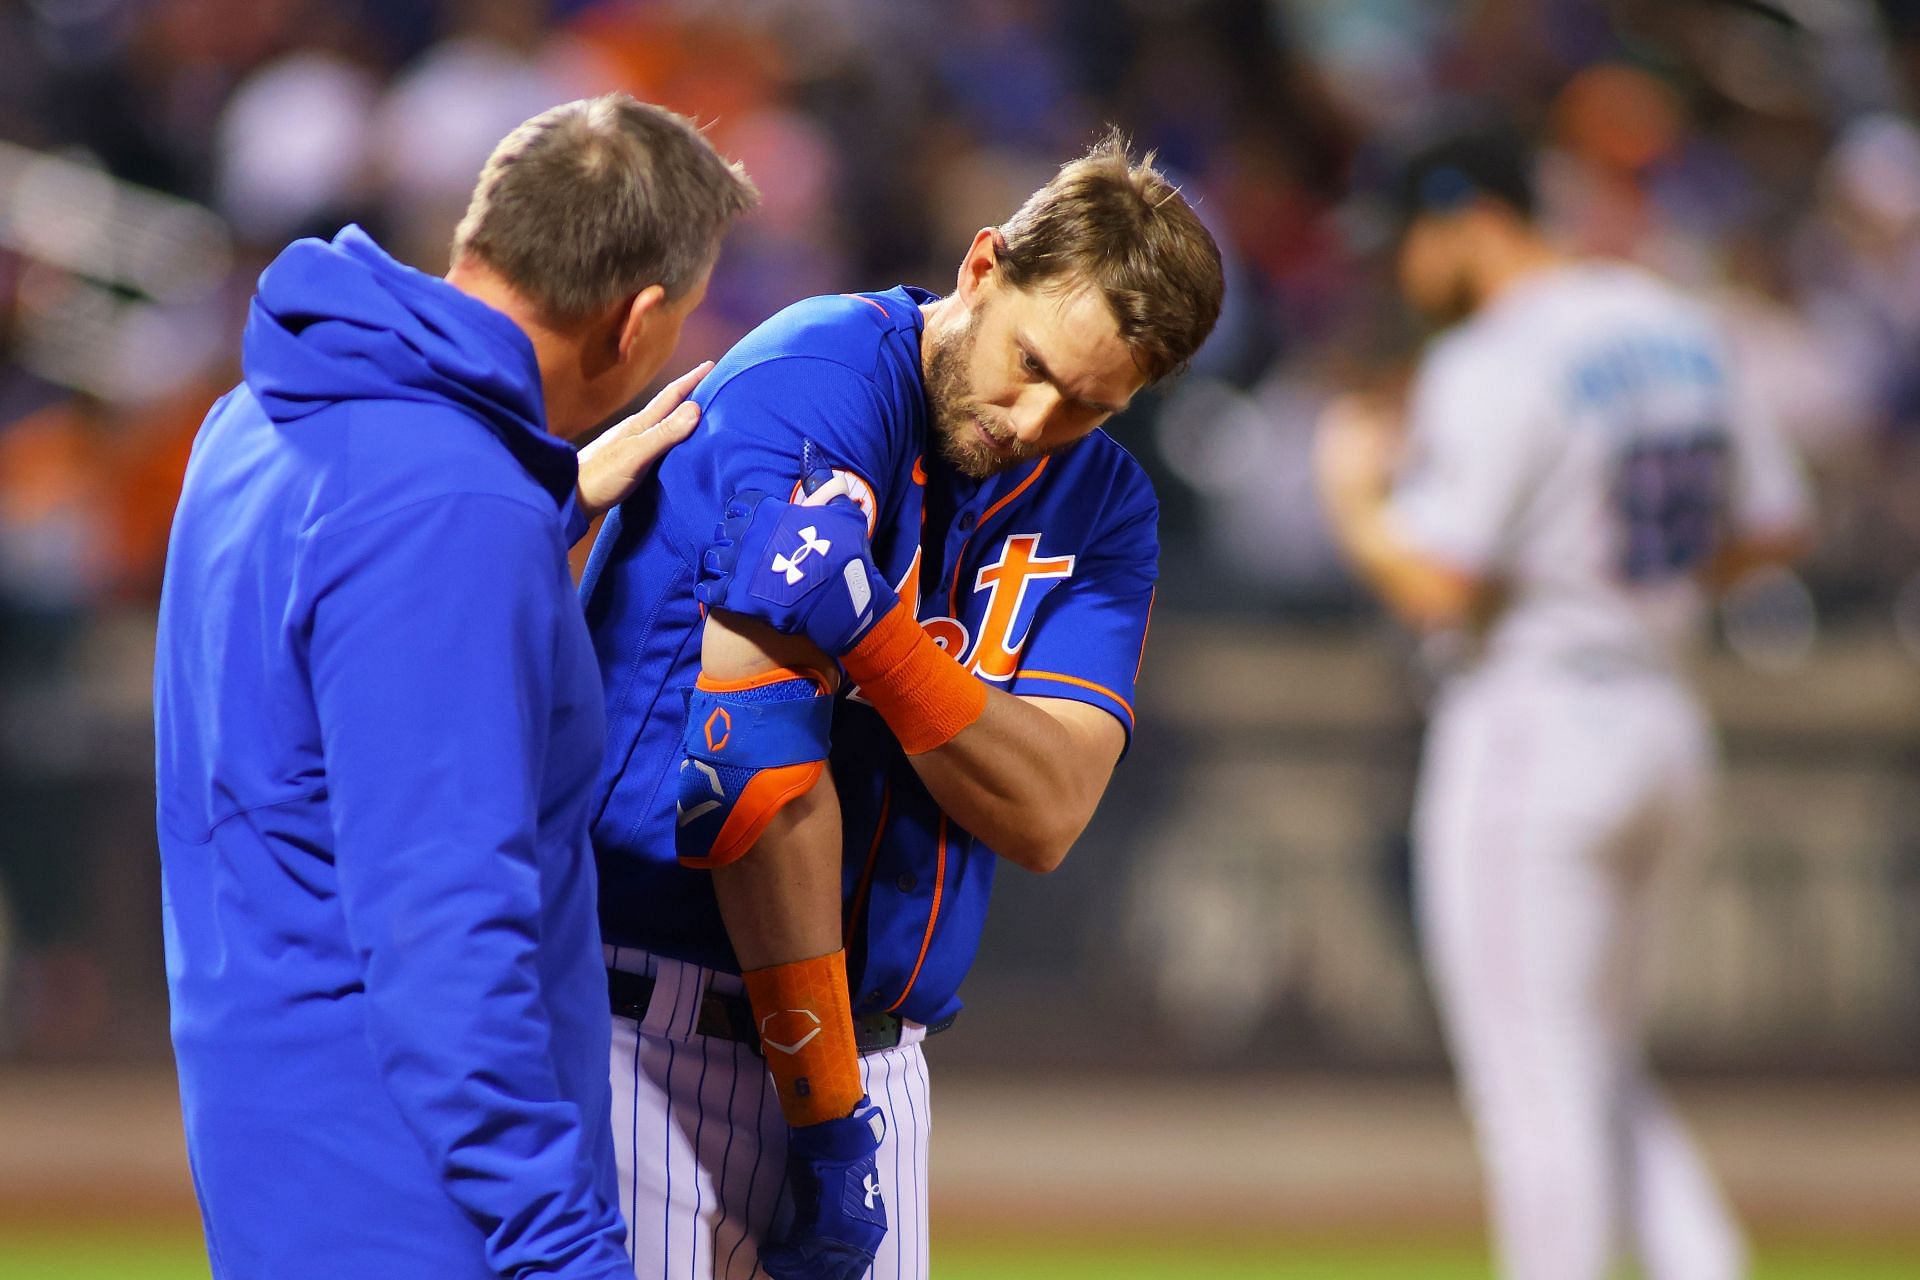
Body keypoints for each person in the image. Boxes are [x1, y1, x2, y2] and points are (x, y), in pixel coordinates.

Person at [579, 130, 1223, 1280]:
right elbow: (755, 775)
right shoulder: (821, 378)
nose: (1034, 420)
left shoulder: (1104, 503)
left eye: (1087, 404)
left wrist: (877, 636)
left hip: (880, 1068)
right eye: (1030, 363)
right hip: (645, 1038)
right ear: (983, 268)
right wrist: (825, 1126)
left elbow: (1049, 807)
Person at [153, 94, 757, 1280]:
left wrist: (537, 505)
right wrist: (564, 1243)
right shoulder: (450, 509)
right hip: (426, 1198)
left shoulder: (264, 417)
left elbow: (321, 698)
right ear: (636, 320)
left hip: (282, 1152)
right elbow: (444, 931)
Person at [1315, 125, 1811, 1280]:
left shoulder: (1495, 358)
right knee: (1596, 1068)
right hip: (1663, 714)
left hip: (1533, 723)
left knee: (1535, 1094)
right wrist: (1639, 584)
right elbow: (1778, 523)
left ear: (1468, 216)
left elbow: (1439, 579)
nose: (1404, 271)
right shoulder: (1673, 319)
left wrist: (1350, 498)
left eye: (1413, 241)